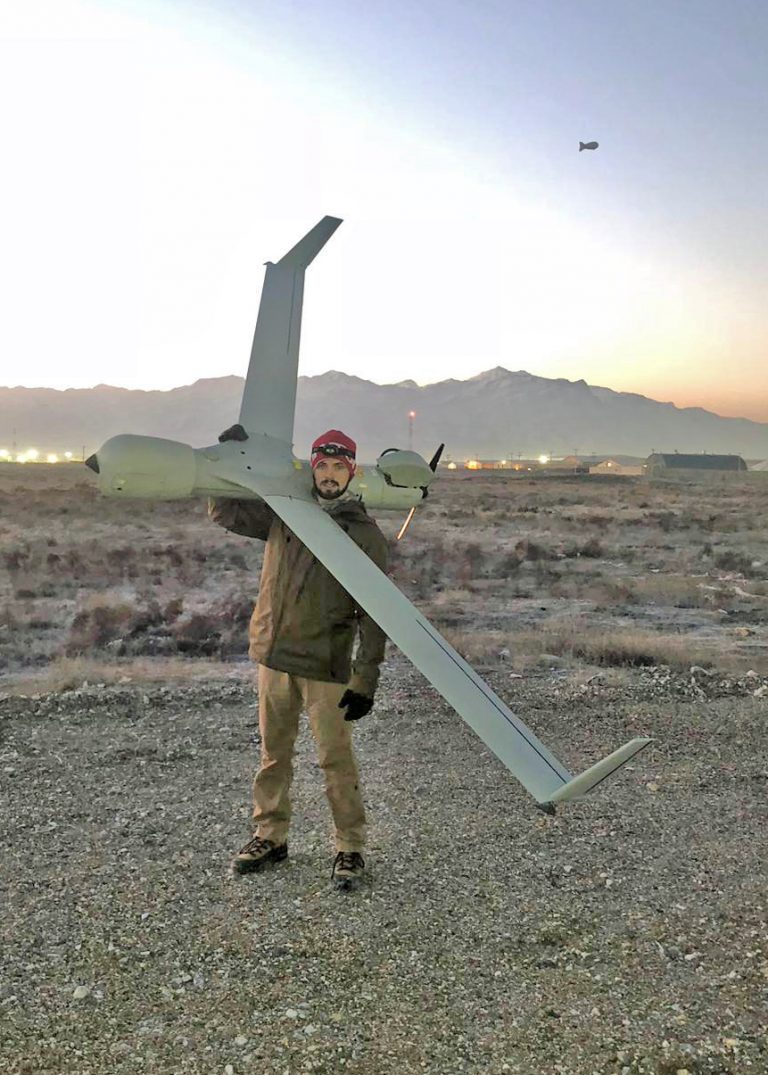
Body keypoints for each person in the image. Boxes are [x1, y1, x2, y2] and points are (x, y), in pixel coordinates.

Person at [208, 427, 389, 889]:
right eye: (322, 466)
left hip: (325, 664)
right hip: (274, 656)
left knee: (335, 760)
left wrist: (365, 677)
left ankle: (349, 848)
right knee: (273, 756)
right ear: (312, 468)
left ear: (351, 472)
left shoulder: (362, 533)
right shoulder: (284, 512)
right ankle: (270, 835)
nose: (329, 476)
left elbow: (376, 610)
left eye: (338, 468)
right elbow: (225, 510)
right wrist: (229, 457)